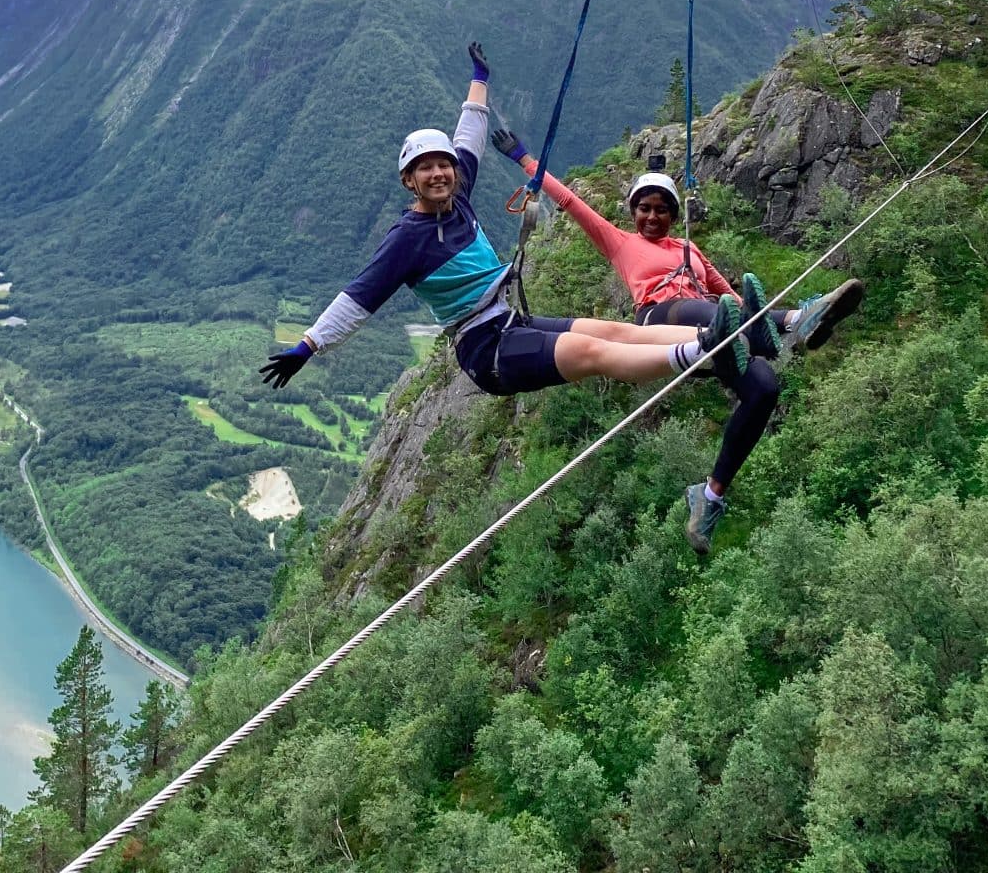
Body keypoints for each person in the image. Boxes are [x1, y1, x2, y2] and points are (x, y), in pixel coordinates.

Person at [258, 43, 756, 459]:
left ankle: (728, 333)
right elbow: (358, 298)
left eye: (443, 166)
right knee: (591, 352)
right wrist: (308, 346)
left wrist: (479, 80)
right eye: (425, 169)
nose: (439, 173)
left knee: (614, 329)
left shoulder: (459, 192)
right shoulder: (406, 240)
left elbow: (468, 134)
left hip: (510, 320)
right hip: (486, 347)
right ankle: (705, 350)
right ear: (408, 181)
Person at [484, 130, 865, 552]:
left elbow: (729, 297)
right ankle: (799, 318)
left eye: (662, 210)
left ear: (672, 213)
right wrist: (523, 157)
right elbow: (573, 203)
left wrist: (746, 321)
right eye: (644, 208)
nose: (652, 216)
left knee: (763, 388)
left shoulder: (690, 250)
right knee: (706, 311)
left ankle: (709, 498)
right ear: (632, 212)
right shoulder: (622, 243)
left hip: (709, 325)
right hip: (660, 318)